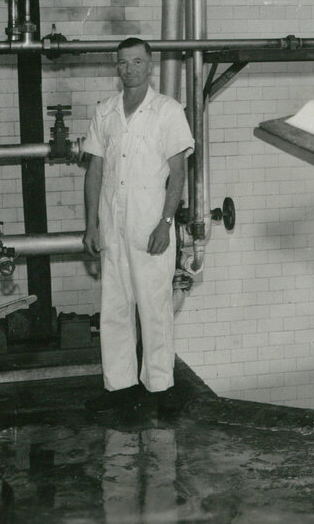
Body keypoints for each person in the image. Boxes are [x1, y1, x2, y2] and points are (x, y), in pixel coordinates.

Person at [81, 37, 194, 413]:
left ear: (150, 66)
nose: (129, 70)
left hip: (150, 223)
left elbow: (178, 174)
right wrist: (92, 225)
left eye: (136, 62)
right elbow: (95, 169)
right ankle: (120, 387)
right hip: (112, 222)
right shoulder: (106, 111)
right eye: (123, 64)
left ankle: (160, 389)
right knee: (114, 306)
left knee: (154, 305)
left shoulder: (168, 111)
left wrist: (166, 223)